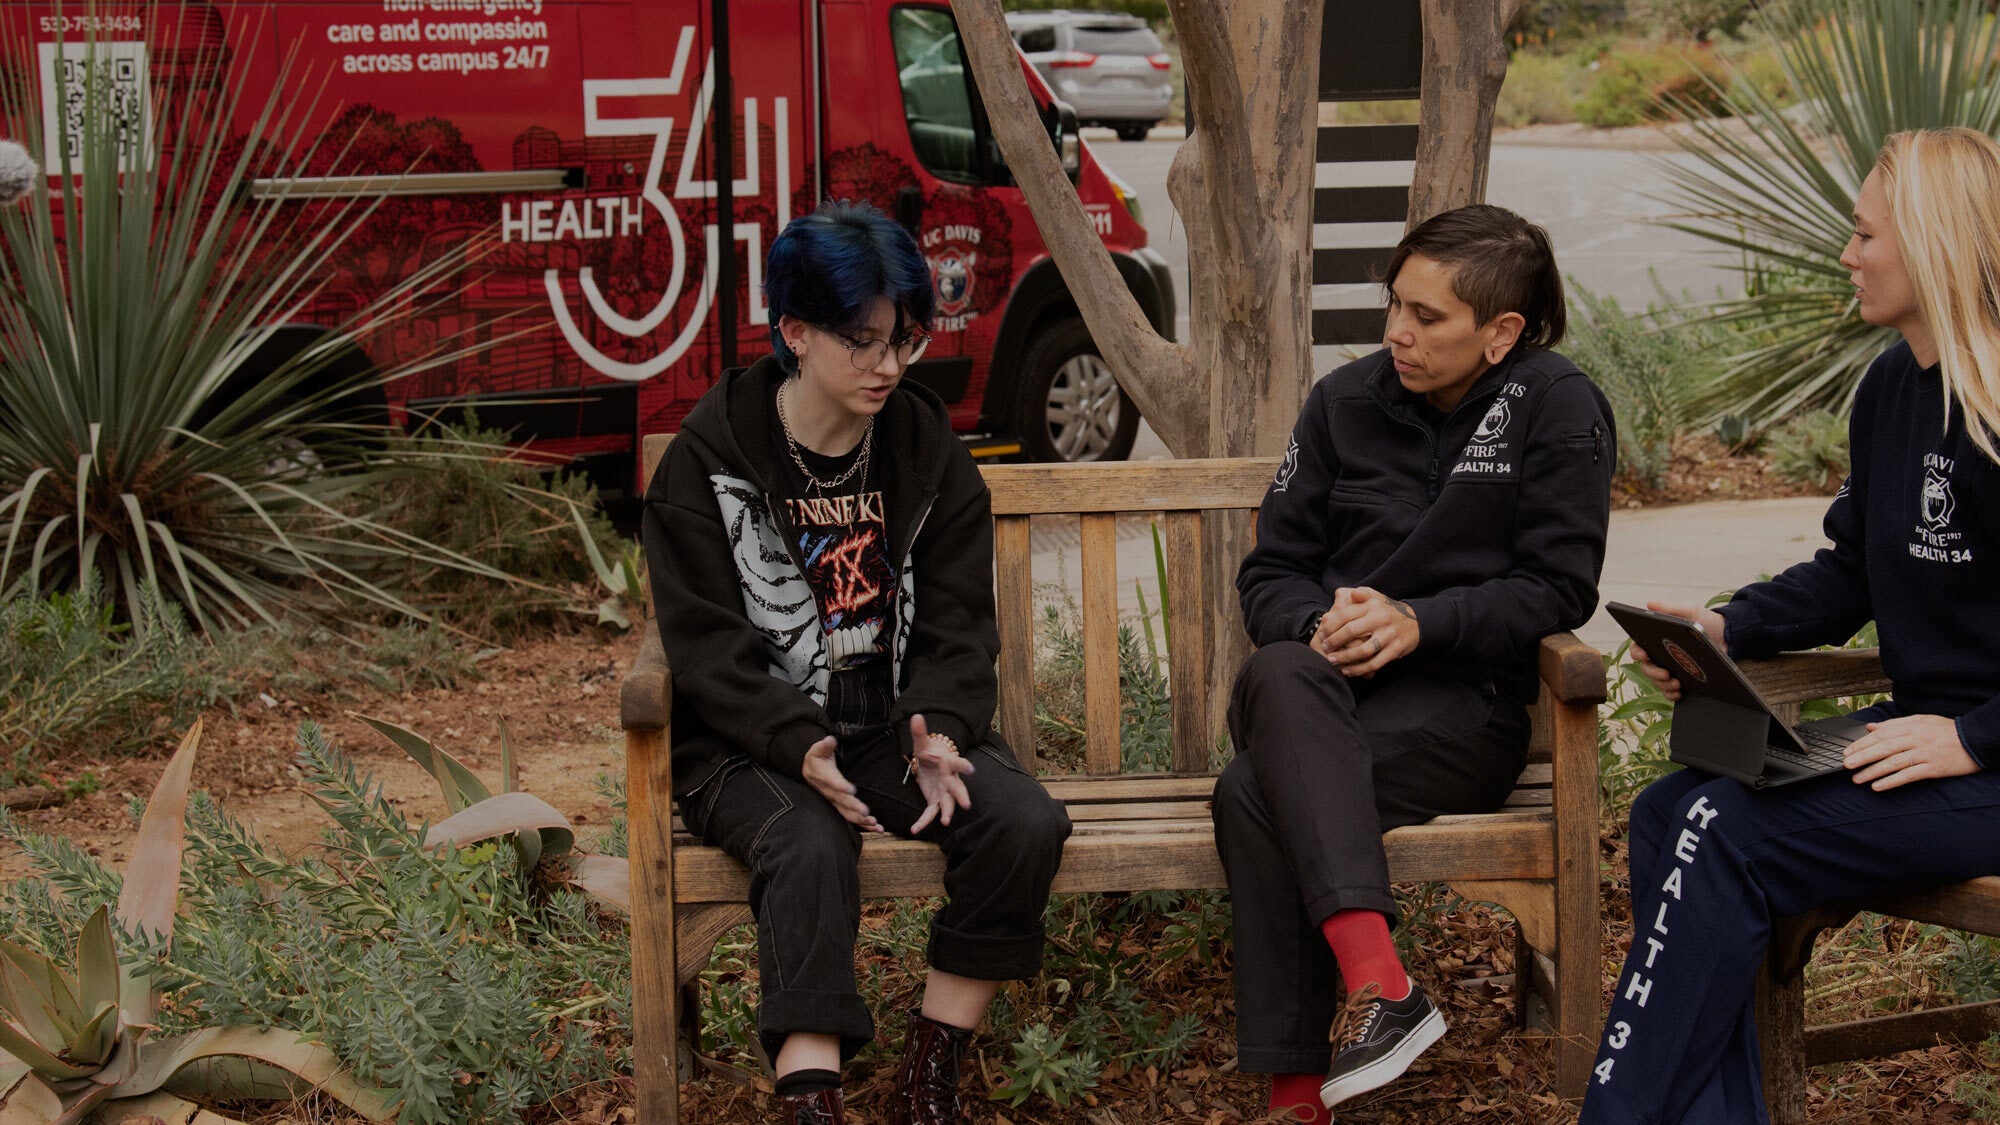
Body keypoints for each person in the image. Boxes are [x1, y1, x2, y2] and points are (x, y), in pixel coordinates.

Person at [1581, 127, 2000, 1123]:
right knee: (1664, 814)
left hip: (1975, 756)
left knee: (1722, 833)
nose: (1844, 255)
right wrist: (1726, 630)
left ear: (1932, 244)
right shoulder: (1892, 389)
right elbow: (1849, 568)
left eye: (1863, 235)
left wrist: (1970, 736)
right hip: (1916, 745)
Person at [642, 199, 1072, 1125]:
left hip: (890, 731)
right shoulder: (705, 463)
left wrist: (941, 731)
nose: (889, 365)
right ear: (794, 331)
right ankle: (812, 1098)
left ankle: (929, 1068)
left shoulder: (926, 450)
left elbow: (961, 627)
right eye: (863, 341)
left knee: (1022, 819)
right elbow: (708, 652)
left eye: (904, 341)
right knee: (805, 838)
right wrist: (799, 743)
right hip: (745, 742)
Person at [1216, 203, 1617, 1121]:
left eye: (1427, 317)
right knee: (1281, 671)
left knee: (1251, 792)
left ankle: (1296, 1096)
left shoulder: (1555, 406)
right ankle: (1383, 985)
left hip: (1462, 709)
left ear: (1501, 332)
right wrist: (1321, 621)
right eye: (1395, 304)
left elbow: (1559, 587)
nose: (1398, 330)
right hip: (1321, 692)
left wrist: (1420, 623)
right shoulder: (1344, 403)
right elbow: (1271, 571)